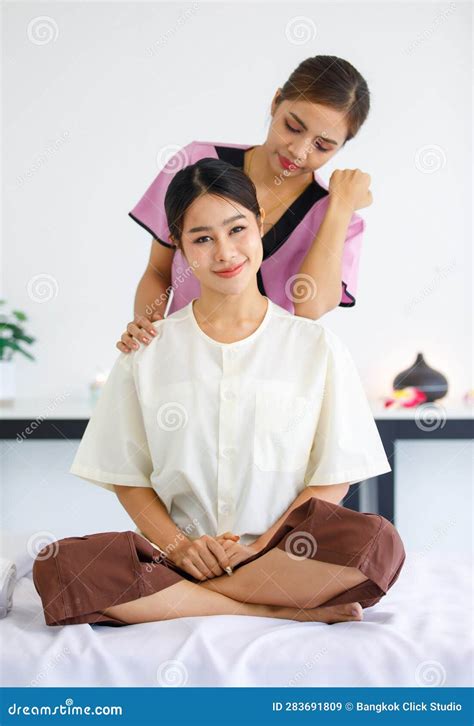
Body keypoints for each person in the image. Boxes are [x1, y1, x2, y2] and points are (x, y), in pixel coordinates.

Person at [32, 158, 405, 628]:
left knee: (377, 543)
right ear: (180, 248)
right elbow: (127, 476)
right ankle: (267, 607)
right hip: (177, 555)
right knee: (59, 566)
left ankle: (196, 598)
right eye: (202, 238)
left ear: (260, 225)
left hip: (283, 553)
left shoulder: (314, 345)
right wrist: (183, 550)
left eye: (236, 229)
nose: (225, 252)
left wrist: (260, 547)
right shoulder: (148, 349)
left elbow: (335, 474)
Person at [118, 55, 373, 354]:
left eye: (322, 146)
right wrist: (150, 332)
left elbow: (310, 307)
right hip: (186, 358)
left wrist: (340, 206)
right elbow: (159, 270)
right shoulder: (197, 165)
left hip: (271, 372)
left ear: (341, 147)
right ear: (276, 102)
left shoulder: (336, 217)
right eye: (292, 127)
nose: (299, 151)